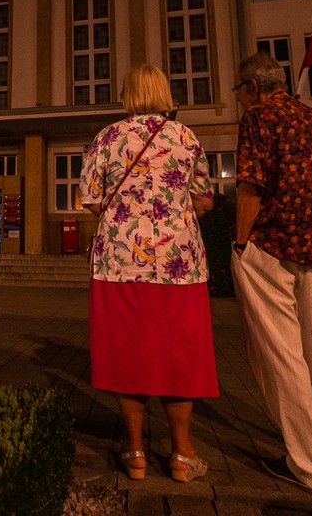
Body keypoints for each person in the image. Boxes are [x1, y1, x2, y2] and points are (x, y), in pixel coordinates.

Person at [79, 64, 217, 483]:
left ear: (127, 94)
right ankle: (182, 453)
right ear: (164, 92)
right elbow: (205, 199)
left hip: (118, 260)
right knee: (180, 352)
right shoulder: (185, 137)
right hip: (178, 260)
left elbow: (89, 199)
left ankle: (135, 450)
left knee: (128, 351)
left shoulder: (107, 137)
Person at [230, 52, 312, 495]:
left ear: (253, 88)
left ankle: (308, 464)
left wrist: (240, 241)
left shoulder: (259, 118)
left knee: (283, 355)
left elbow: (251, 184)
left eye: (239, 91)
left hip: (271, 247)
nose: (239, 100)